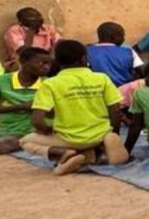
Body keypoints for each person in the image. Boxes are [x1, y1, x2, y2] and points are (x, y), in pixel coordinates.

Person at [21, 40, 129, 175]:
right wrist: (115, 132)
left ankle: (64, 153)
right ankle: (101, 149)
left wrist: (49, 130)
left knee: (25, 141)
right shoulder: (102, 78)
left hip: (68, 138)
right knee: (107, 137)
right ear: (84, 58)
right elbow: (115, 111)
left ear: (57, 61)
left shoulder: (50, 84)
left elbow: (37, 120)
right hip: (99, 135)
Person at [0, 47, 51, 155]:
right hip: (14, 128)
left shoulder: (49, 84)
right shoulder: (3, 81)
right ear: (23, 61)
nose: (47, 67)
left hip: (42, 129)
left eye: (49, 64)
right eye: (41, 63)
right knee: (10, 142)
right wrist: (23, 106)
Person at [86, 22, 141, 88]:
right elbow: (140, 72)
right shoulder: (128, 51)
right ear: (113, 37)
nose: (123, 39)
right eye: (122, 36)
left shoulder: (87, 51)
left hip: (98, 90)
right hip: (123, 91)